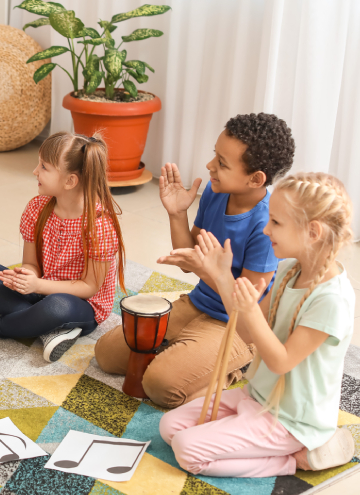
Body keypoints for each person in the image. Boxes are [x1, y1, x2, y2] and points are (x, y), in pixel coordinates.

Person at [160, 173, 356, 477]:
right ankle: (246, 436)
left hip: (293, 420)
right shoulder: (289, 269)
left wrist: (248, 306)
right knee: (169, 427)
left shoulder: (332, 300)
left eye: (276, 222)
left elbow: (280, 362)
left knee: (188, 450)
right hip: (256, 396)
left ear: (313, 231)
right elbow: (246, 332)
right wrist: (223, 277)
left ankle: (297, 460)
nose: (266, 229)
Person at [95, 113, 296, 408]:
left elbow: (247, 304)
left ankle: (237, 367)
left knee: (159, 386)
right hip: (200, 303)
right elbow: (188, 254)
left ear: (255, 179)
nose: (210, 166)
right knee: (106, 354)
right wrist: (177, 213)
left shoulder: (266, 224)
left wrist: (208, 271)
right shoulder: (216, 193)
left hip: (238, 326)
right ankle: (190, 355)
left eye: (222, 163)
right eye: (215, 155)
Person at [0, 132, 126, 362]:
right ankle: (47, 327)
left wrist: (38, 284)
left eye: (44, 167)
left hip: (79, 304)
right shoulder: (37, 207)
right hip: (39, 292)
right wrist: (27, 276)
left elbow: (89, 287)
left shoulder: (100, 225)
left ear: (70, 181)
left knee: (56, 307)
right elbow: (31, 263)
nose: (35, 171)